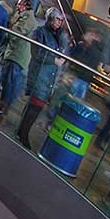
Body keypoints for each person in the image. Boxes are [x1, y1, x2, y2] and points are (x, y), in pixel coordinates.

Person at [17, 8, 70, 150]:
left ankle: (21, 132)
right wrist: (54, 60)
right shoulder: (40, 32)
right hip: (40, 75)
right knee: (35, 106)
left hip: (49, 79)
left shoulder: (59, 37)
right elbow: (37, 53)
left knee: (34, 107)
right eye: (57, 19)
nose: (59, 22)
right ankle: (23, 134)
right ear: (50, 18)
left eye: (61, 20)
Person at [0, 0, 37, 118]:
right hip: (13, 53)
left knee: (9, 83)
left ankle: (3, 108)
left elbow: (14, 34)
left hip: (17, 56)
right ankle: (2, 105)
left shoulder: (28, 19)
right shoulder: (22, 16)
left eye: (20, 4)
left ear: (26, 6)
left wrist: (10, 27)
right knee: (8, 81)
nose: (17, 6)